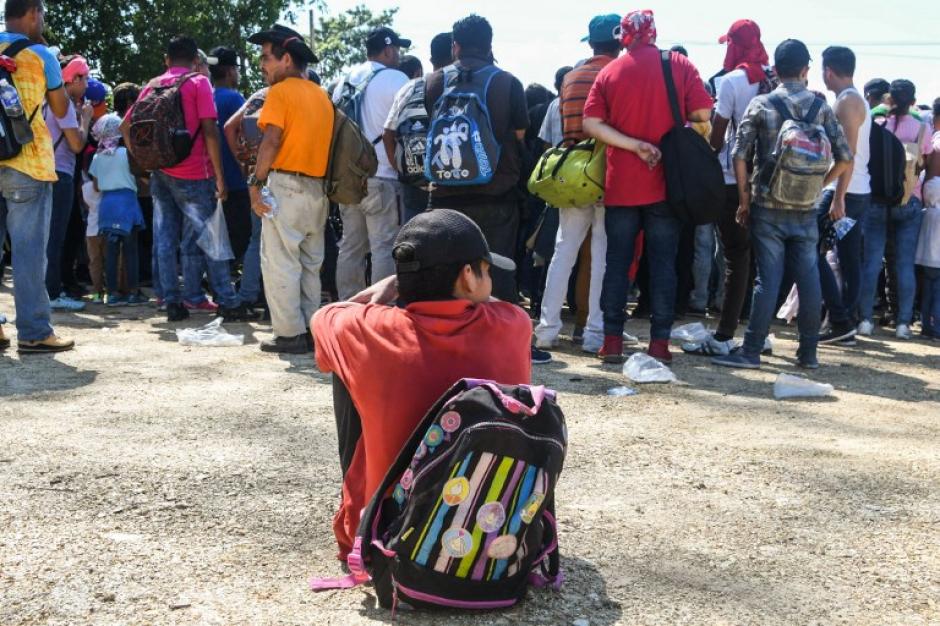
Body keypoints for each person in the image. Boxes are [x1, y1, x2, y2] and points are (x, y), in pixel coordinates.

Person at [311, 209, 531, 562]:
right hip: (489, 534)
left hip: (392, 541)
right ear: (468, 277)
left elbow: (325, 316)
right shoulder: (513, 324)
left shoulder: (369, 329)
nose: (491, 279)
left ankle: (370, 500)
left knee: (346, 361)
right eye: (486, 270)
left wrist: (395, 284)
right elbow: (499, 304)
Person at [582, 10, 714, 364]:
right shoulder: (680, 65)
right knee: (663, 264)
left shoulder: (610, 71)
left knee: (617, 263)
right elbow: (703, 117)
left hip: (622, 184)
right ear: (654, 32)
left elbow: (592, 123)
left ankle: (611, 342)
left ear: (623, 35)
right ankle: (659, 344)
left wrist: (632, 145)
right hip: (665, 185)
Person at [712, 39, 853, 370]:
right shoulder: (821, 107)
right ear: (806, 70)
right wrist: (820, 184)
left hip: (767, 205)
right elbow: (846, 157)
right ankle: (808, 354)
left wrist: (744, 200)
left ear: (775, 69)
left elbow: (739, 154)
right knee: (808, 278)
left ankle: (750, 351)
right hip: (806, 207)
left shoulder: (763, 103)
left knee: (767, 280)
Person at [122, 36, 253, 323]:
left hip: (161, 174)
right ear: (195, 59)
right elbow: (209, 129)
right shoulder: (198, 83)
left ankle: (172, 302)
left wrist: (146, 161)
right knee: (212, 237)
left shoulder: (152, 85)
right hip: (195, 174)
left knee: (165, 238)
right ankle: (227, 300)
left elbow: (125, 125)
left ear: (167, 60)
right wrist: (219, 175)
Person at [424, 15, 529, 305]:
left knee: (447, 275)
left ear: (455, 46)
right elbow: (519, 133)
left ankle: (449, 340)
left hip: (445, 195)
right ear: (489, 45)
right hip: (496, 194)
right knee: (497, 274)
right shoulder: (507, 82)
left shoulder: (434, 81)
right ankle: (499, 343)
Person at [533, 14, 621, 355]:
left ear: (592, 42)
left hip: (569, 172)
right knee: (600, 252)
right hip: (602, 171)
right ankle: (594, 333)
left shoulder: (571, 76)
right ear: (619, 42)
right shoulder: (615, 74)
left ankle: (547, 330)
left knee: (563, 250)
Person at [684, 19, 772, 356]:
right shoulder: (777, 76)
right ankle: (759, 332)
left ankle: (723, 336)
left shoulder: (732, 82)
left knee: (736, 257)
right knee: (767, 258)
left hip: (734, 181)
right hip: (771, 181)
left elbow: (718, 138)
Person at [247, 24, 333, 354]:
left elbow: (271, 140)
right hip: (317, 189)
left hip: (285, 185)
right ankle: (312, 332)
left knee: (280, 261)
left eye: (266, 57)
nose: (261, 64)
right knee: (311, 265)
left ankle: (288, 335)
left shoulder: (280, 93)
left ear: (286, 59)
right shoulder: (321, 95)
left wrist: (256, 183)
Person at [0, 0, 75, 353]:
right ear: (32, 13)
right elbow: (60, 108)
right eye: (42, 14)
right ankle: (33, 331)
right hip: (27, 163)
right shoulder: (40, 55)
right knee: (29, 253)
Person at [332, 27, 410, 300]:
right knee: (383, 246)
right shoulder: (396, 78)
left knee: (350, 247)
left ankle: (346, 308)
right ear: (388, 49)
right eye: (397, 49)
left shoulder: (344, 80)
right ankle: (379, 312)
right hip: (383, 175)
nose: (399, 55)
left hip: (348, 178)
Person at [858, 79, 937, 340]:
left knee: (871, 262)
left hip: (877, 200)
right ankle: (903, 323)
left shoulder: (877, 124)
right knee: (904, 264)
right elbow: (923, 162)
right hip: (908, 201)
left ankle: (865, 320)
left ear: (888, 98)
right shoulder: (921, 127)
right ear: (913, 101)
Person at [815, 46, 871, 346]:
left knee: (808, 248)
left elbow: (846, 155)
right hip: (856, 190)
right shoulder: (853, 99)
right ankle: (843, 323)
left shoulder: (847, 102)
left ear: (828, 71)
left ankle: (839, 319)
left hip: (845, 191)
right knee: (849, 260)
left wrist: (836, 196)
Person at [382, 31, 454, 225]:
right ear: (456, 53)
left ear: (431, 59)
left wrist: (400, 169)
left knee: (413, 243)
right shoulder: (459, 86)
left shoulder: (410, 87)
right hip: (451, 185)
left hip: (413, 184)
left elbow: (387, 134)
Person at [43, 54, 92, 311]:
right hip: (59, 174)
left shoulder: (44, 100)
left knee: (45, 236)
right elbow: (76, 144)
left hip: (44, 172)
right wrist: (84, 119)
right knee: (55, 237)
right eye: (85, 77)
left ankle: (48, 291)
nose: (87, 83)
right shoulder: (62, 103)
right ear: (73, 79)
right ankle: (51, 293)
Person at [89, 113, 145, 307]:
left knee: (111, 252)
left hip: (107, 205)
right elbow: (140, 172)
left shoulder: (97, 157)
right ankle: (133, 292)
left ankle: (111, 293)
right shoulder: (125, 154)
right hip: (127, 203)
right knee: (131, 250)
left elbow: (96, 186)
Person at [207, 47, 252, 266]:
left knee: (219, 241)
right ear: (229, 71)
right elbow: (247, 139)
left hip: (211, 182)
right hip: (237, 181)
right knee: (242, 239)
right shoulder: (235, 100)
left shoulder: (206, 97)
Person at [917, 178, 940, 339]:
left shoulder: (925, 214)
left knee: (927, 294)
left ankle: (926, 327)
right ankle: (937, 328)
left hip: (926, 260)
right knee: (938, 296)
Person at [537, 66, 573, 150]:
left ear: (555, 85)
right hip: (581, 158)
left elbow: (546, 141)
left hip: (558, 158)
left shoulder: (554, 104)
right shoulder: (585, 101)